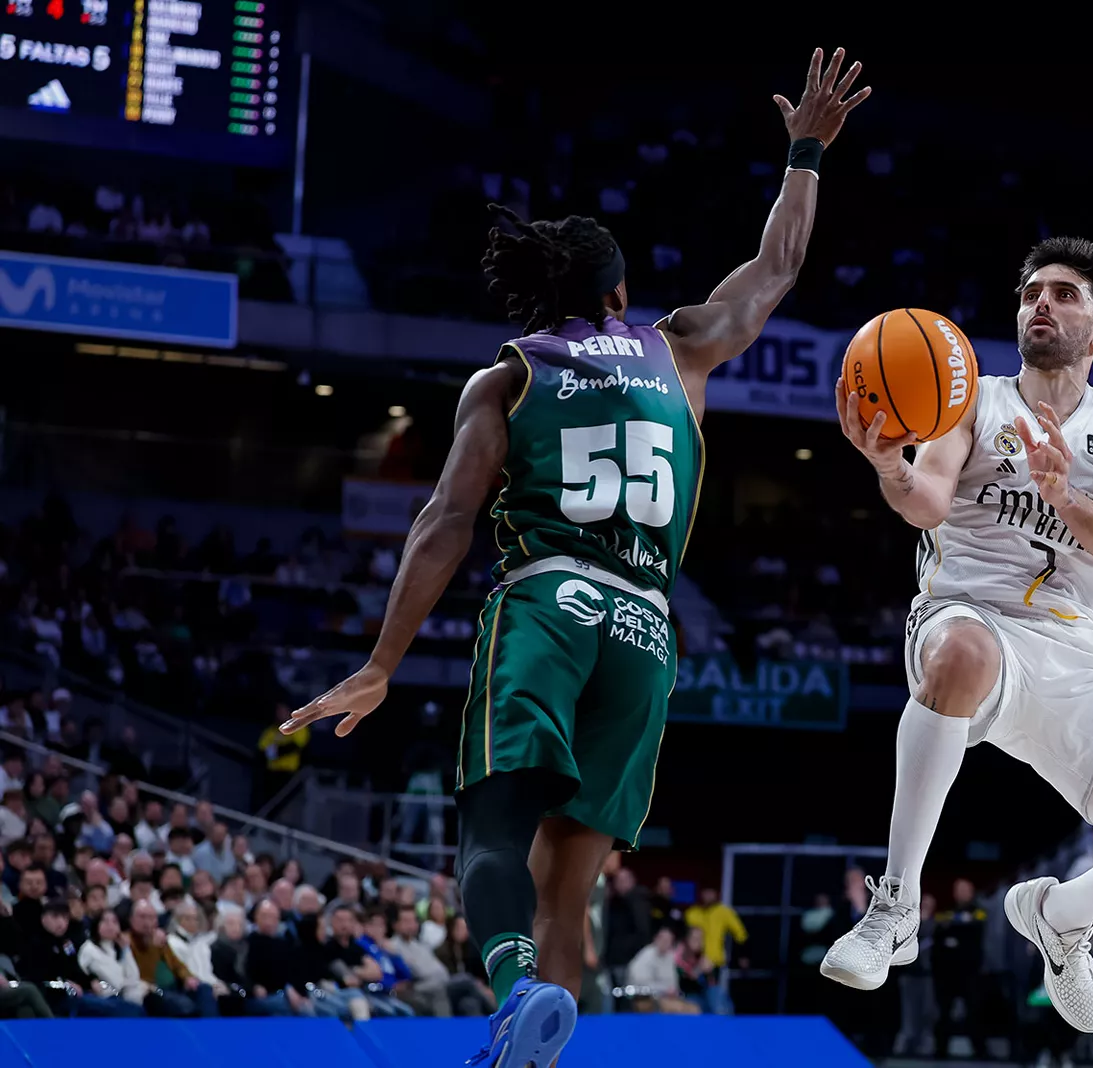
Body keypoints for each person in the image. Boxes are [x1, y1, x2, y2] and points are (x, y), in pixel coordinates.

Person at [278, 47, 870, 1068]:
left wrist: (380, 662)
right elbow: (776, 267)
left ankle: (512, 999)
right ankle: (538, 1049)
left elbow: (443, 522)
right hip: (648, 626)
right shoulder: (680, 347)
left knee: (494, 837)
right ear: (622, 291)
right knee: (570, 890)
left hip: (549, 604)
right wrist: (806, 151)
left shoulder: (506, 379)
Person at [821, 236, 1093, 1035]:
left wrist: (1062, 492)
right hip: (969, 615)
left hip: (1076, 654)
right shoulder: (971, 402)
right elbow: (927, 501)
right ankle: (895, 908)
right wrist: (890, 466)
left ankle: (1059, 915)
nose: (1042, 302)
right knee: (962, 652)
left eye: (1065, 293)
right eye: (1033, 291)